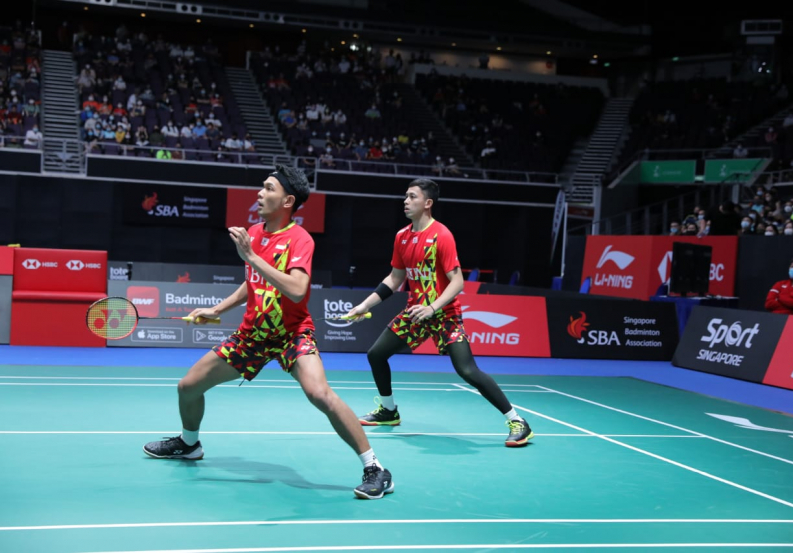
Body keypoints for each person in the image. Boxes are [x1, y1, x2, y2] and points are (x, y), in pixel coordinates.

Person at [143, 166, 394, 500]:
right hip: (253, 336)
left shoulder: (299, 239)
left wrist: (250, 256)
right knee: (188, 386)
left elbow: (296, 288)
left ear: (287, 200)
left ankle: (376, 468)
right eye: (262, 187)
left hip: (292, 333)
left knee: (320, 394)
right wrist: (217, 310)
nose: (260, 194)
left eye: (268, 188)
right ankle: (189, 444)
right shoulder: (254, 233)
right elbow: (253, 282)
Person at [346, 178, 534, 447]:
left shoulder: (441, 235)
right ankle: (388, 411)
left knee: (467, 371)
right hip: (416, 312)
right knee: (376, 354)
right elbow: (395, 278)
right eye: (406, 196)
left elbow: (457, 282)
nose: (406, 201)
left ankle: (518, 421)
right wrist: (364, 305)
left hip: (443, 313)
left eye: (412, 197)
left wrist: (433, 307)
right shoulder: (402, 236)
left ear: (428, 203)